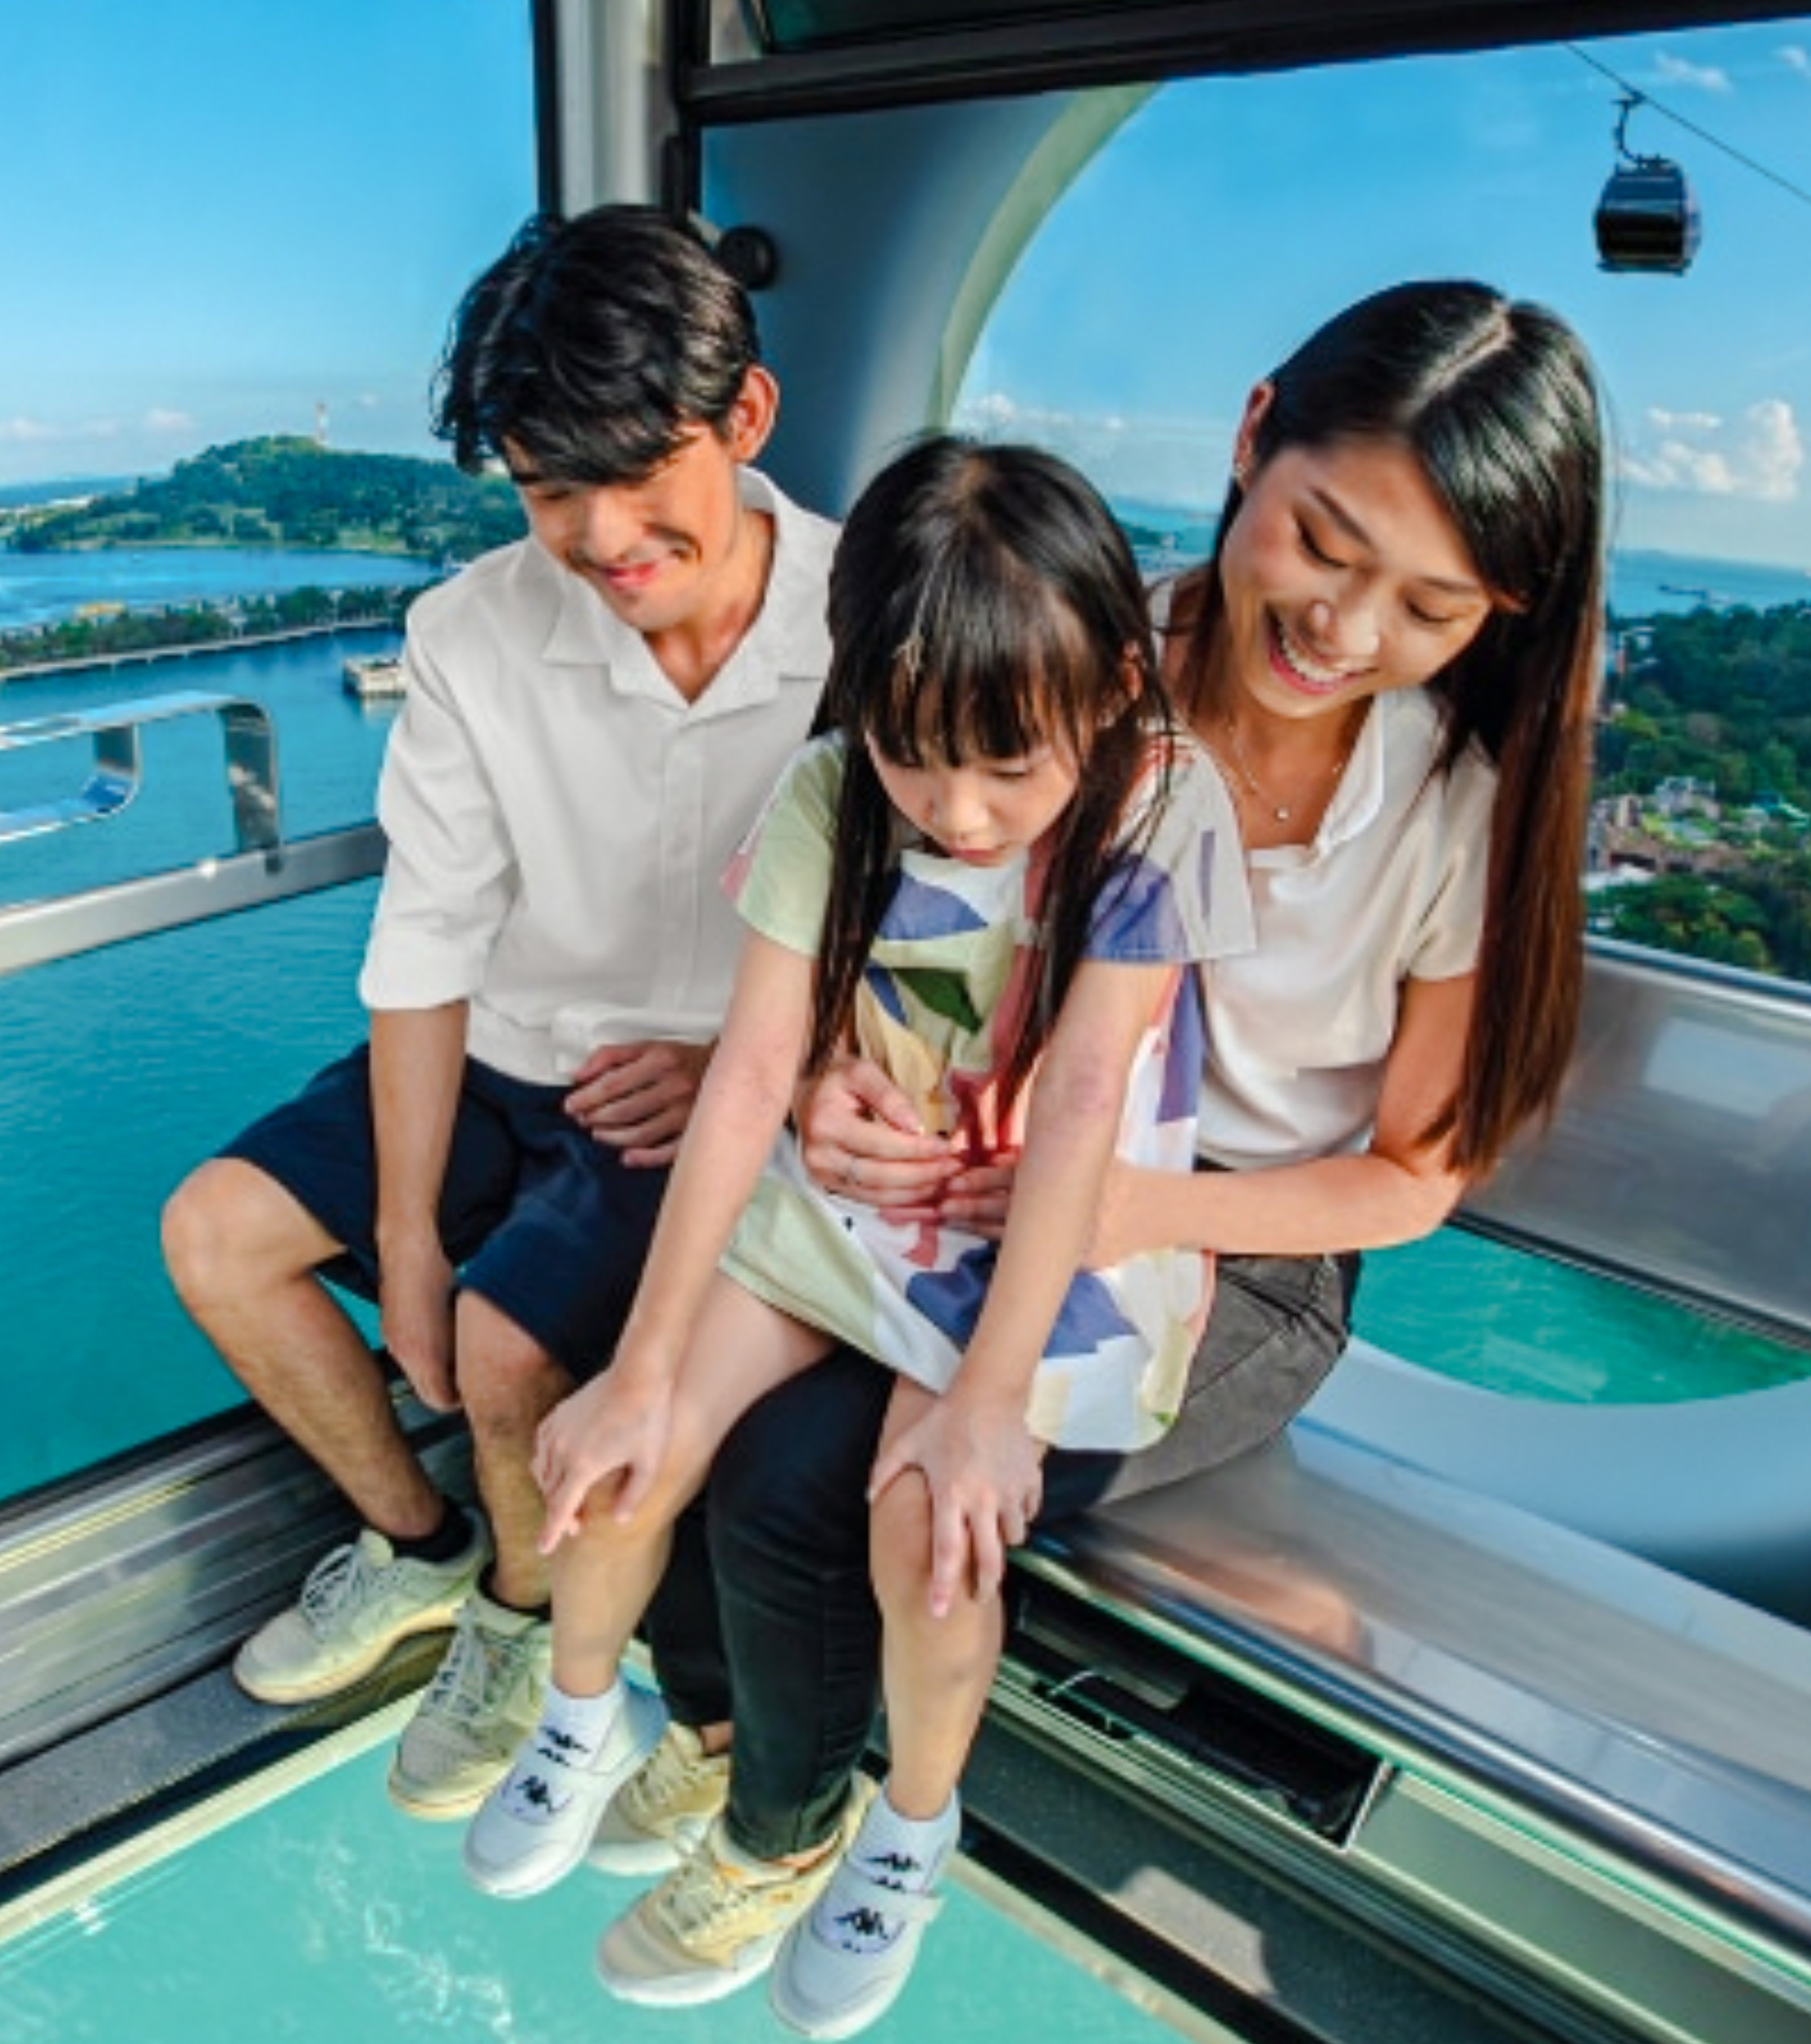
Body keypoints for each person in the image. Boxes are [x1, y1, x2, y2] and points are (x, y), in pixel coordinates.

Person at [595, 279, 1610, 2030]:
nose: (1344, 626)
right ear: (1247, 438)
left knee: (839, 1499)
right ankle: (739, 1758)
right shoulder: (1058, 635)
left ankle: (815, 1825)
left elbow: (1410, 1178)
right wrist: (834, 1065)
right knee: (697, 1404)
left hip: (1232, 1249)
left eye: (1432, 605)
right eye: (1323, 540)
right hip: (972, 1170)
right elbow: (874, 887)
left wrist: (1126, 1207)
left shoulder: (1456, 807)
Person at [455, 438, 1239, 2036]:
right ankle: (583, 1711)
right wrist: (649, 1362)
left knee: (921, 1524)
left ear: (1103, 693)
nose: (954, 811)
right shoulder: (832, 795)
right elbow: (750, 1073)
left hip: (1044, 1232)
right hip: (862, 1196)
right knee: (630, 1430)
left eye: (1007, 768)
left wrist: (983, 1405)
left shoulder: (1159, 804)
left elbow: (1086, 1096)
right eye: (911, 754)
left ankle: (907, 1829)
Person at [157, 205, 837, 1818]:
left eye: (637, 477)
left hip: (705, 1085)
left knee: (504, 1346)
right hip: (507, 1050)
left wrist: (763, 1065)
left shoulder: (872, 609)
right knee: (216, 1238)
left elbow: (951, 905)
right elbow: (427, 940)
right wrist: (399, 1235)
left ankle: (522, 1625)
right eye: (548, 490)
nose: (601, 537)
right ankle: (423, 1544)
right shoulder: (466, 633)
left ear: (745, 421)